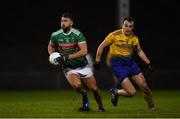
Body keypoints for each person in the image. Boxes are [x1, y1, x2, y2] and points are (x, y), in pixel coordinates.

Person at [94, 16, 157, 111]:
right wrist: (97, 61)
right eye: (126, 25)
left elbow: (139, 51)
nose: (128, 28)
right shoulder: (114, 35)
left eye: (130, 26)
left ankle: (151, 107)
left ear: (133, 27)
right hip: (118, 65)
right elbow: (101, 46)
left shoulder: (134, 38)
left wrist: (148, 63)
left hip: (130, 63)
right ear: (122, 25)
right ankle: (116, 92)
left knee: (144, 86)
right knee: (132, 92)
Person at [48, 13, 105, 112]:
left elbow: (84, 51)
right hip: (68, 67)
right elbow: (51, 46)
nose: (63, 23)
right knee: (78, 86)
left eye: (65, 21)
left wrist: (67, 57)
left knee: (94, 89)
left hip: (82, 65)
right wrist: (52, 56)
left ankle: (100, 107)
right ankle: (85, 98)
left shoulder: (78, 34)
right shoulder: (55, 35)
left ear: (71, 23)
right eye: (62, 21)